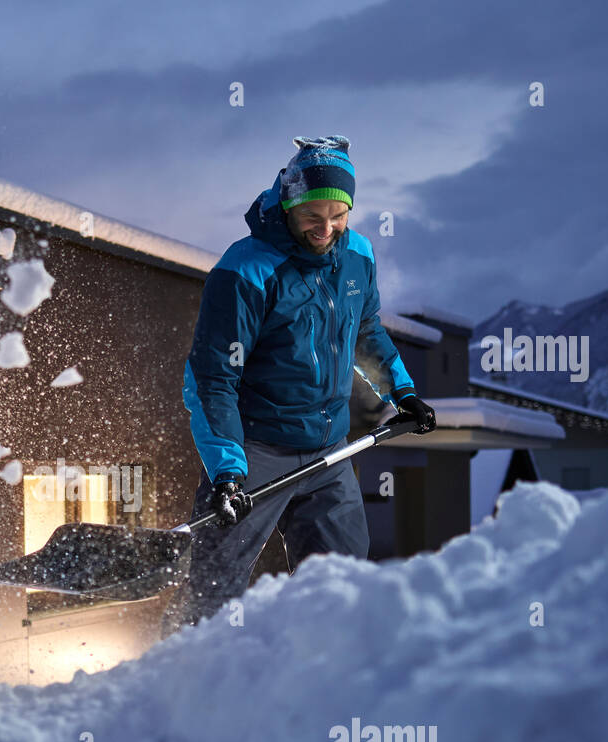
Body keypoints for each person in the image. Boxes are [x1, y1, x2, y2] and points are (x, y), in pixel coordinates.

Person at [165, 134, 436, 628]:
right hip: (255, 450)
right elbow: (212, 377)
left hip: (329, 448)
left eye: (339, 215)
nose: (326, 228)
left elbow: (365, 334)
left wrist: (402, 392)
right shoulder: (246, 268)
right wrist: (228, 469)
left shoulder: (358, 256)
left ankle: (325, 682)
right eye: (313, 215)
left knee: (342, 582)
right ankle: (185, 682)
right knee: (214, 594)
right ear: (288, 202)